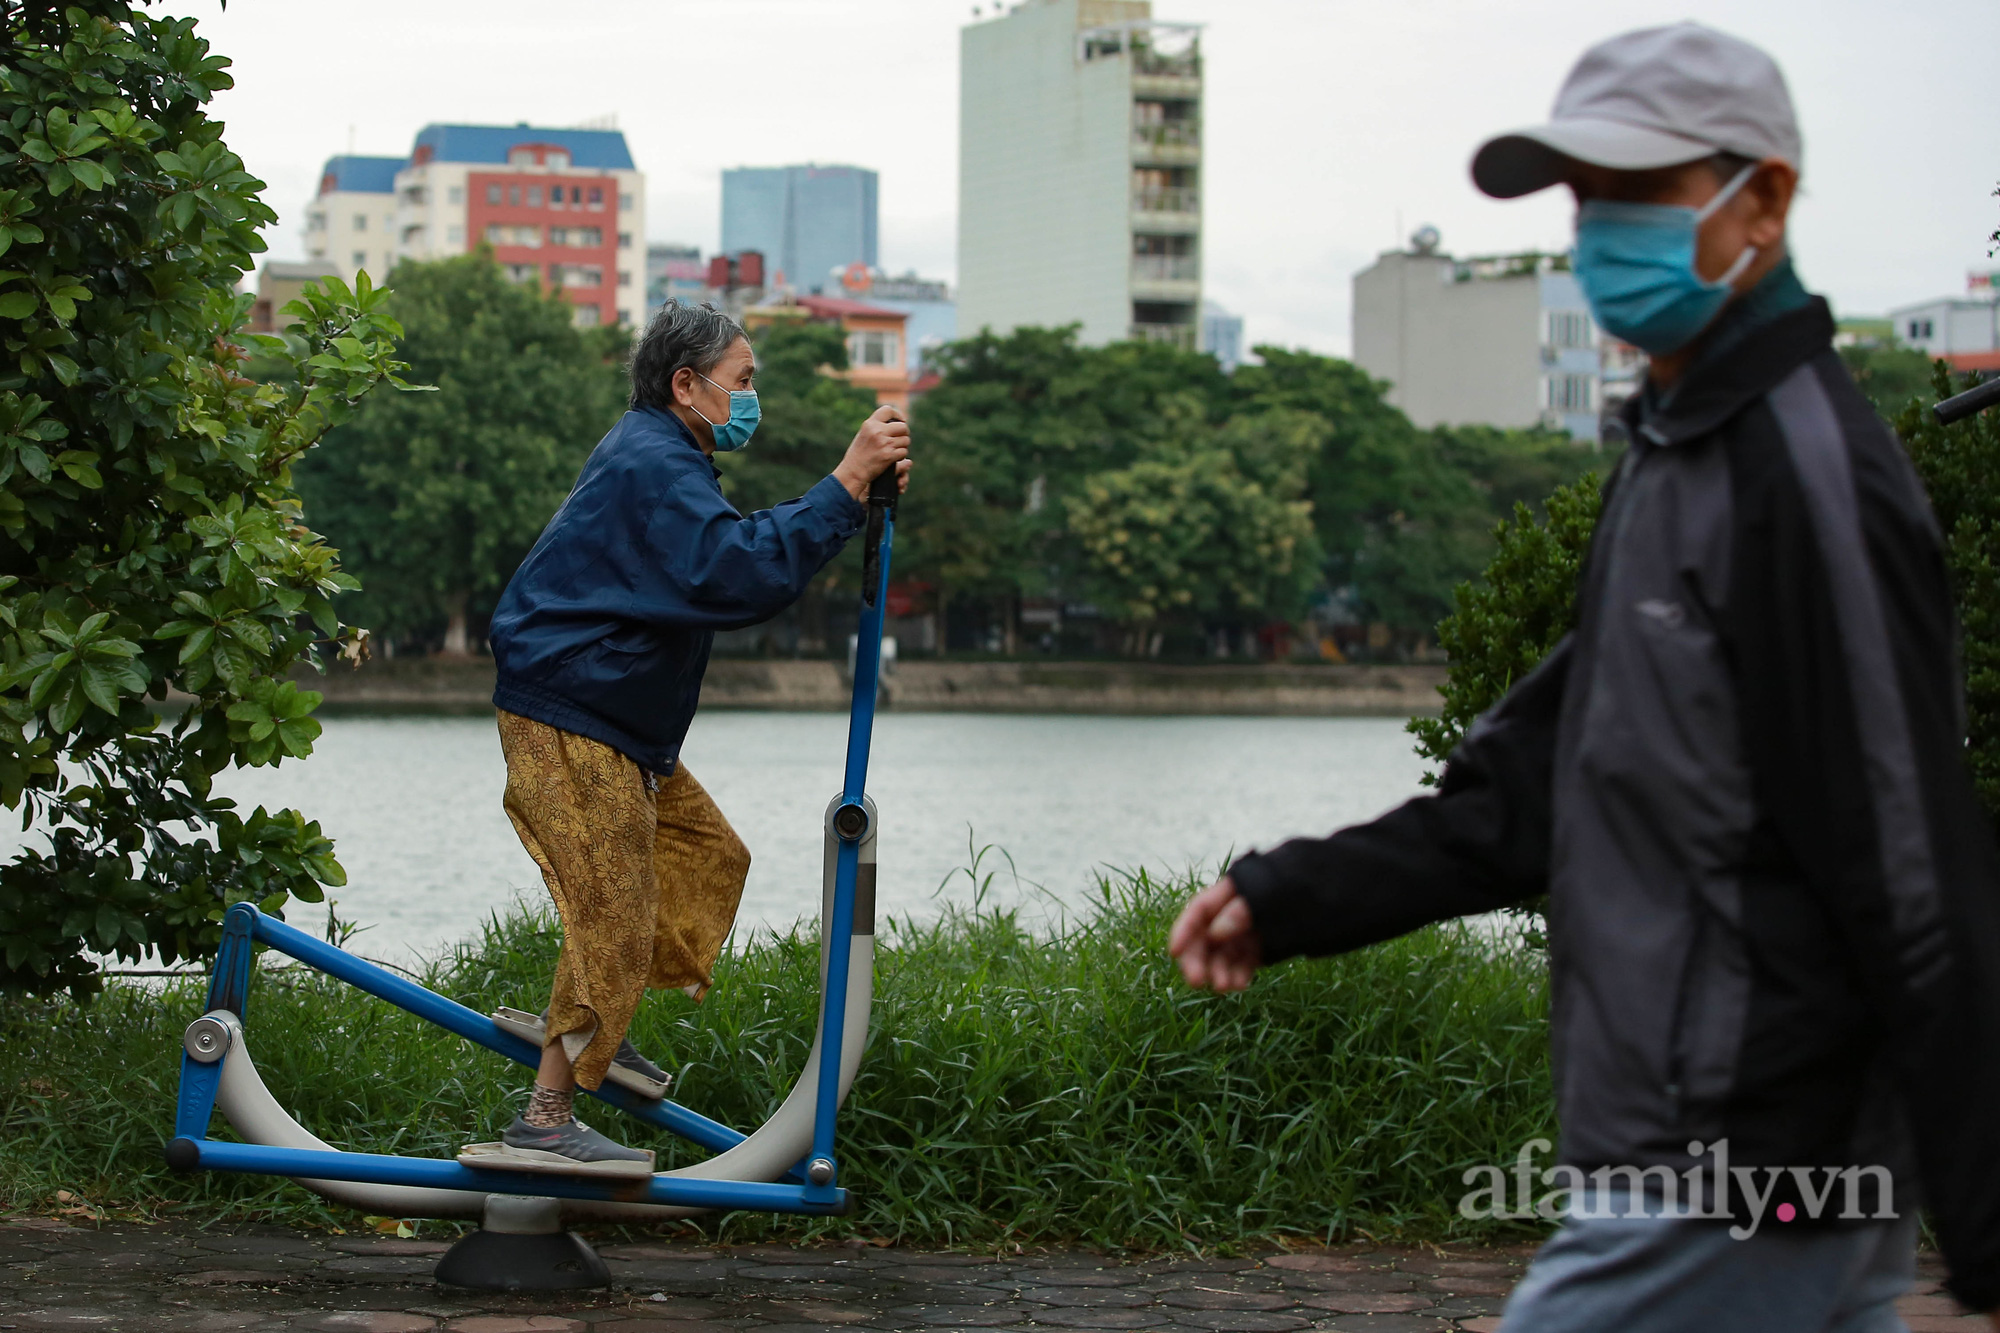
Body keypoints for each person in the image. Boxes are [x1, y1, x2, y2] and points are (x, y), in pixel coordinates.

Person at [1168, 23, 2000, 1331]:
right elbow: (1534, 790)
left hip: (1744, 1153)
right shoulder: (1678, 452)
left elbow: (1911, 866)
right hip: (1705, 1150)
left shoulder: (1805, 474)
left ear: (1765, 199)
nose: (1601, 230)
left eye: (1639, 193)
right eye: (1586, 197)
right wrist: (1292, 893)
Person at [483, 300, 911, 1167]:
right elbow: (738, 571)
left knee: (708, 852)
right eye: (742, 380)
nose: (753, 395)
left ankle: (597, 1028)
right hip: (570, 711)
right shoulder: (655, 462)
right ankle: (546, 1113)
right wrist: (844, 482)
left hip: (615, 720)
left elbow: (731, 560)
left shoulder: (668, 457)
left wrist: (854, 494)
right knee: (614, 902)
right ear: (687, 384)